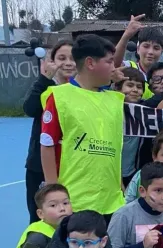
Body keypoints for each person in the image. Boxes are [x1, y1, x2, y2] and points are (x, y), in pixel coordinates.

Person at [40, 34, 125, 225]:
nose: (114, 67)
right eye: (110, 61)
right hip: (75, 200)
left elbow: (114, 147)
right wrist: (54, 196)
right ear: (90, 63)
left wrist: (120, 186)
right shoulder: (60, 97)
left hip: (112, 200)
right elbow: (47, 144)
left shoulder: (114, 100)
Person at [23, 40, 75, 224]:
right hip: (39, 165)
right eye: (62, 58)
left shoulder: (85, 91)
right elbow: (30, 109)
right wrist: (44, 79)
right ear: (52, 62)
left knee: (68, 216)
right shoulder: (45, 87)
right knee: (39, 217)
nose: (68, 62)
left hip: (71, 166)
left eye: (73, 58)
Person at [15, 184, 73, 248]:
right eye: (53, 205)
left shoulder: (75, 227)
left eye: (65, 203)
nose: (62, 209)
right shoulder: (36, 240)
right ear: (41, 214)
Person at [113, 14, 163, 99]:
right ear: (138, 49)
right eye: (146, 46)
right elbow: (114, 64)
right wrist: (126, 36)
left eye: (156, 48)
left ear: (161, 52)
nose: (150, 52)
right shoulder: (128, 67)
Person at [115, 67, 148, 188]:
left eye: (139, 87)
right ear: (118, 88)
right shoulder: (110, 110)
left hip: (133, 174)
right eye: (130, 85)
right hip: (111, 173)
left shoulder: (145, 111)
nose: (135, 90)